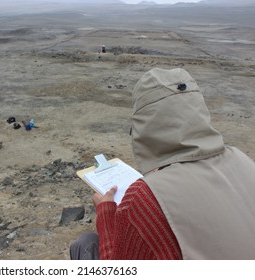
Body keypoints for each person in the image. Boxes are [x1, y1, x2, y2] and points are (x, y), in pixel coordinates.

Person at [70, 68, 255, 260]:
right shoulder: (242, 159)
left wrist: (106, 213)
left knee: (85, 244)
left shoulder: (143, 198)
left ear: (144, 127)